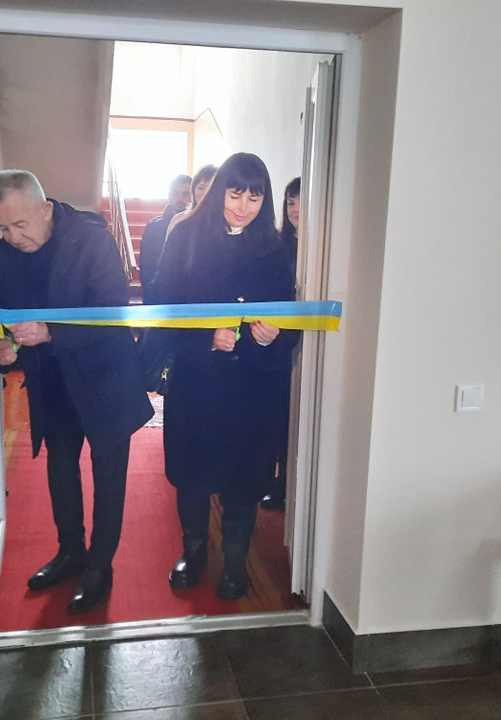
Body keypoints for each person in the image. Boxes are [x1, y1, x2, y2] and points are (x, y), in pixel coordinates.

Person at [0, 170, 153, 614]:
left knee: (109, 475)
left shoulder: (92, 240)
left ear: (45, 210)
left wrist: (50, 332)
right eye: (3, 227)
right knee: (60, 469)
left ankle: (100, 566)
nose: (13, 237)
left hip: (104, 377)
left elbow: (112, 312)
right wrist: (0, 348)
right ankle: (70, 552)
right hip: (52, 381)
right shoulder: (0, 257)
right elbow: (4, 318)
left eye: (20, 225)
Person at [149, 153, 297, 600]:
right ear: (219, 193)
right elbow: (163, 310)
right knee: (192, 474)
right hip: (197, 383)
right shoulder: (186, 236)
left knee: (243, 478)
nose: (243, 207)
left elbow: (290, 319)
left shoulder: (274, 249)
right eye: (235, 195)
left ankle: (235, 561)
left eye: (255, 197)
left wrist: (272, 337)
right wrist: (205, 340)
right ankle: (193, 553)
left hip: (252, 388)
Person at [261, 176, 301, 511]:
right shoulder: (276, 246)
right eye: (290, 202)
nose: (295, 209)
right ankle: (277, 482)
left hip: (312, 343)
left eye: (301, 202)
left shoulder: (326, 246)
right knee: (278, 417)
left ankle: (291, 484)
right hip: (277, 344)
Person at [138, 174, 191, 303]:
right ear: (169, 195)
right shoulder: (154, 226)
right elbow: (146, 265)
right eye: (175, 193)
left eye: (185, 194)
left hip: (192, 298)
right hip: (159, 296)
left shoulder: (203, 226)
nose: (179, 198)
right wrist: (149, 295)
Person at [164, 164, 217, 241]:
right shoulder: (179, 220)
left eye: (211, 188)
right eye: (201, 188)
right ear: (193, 190)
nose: (205, 193)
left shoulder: (228, 221)